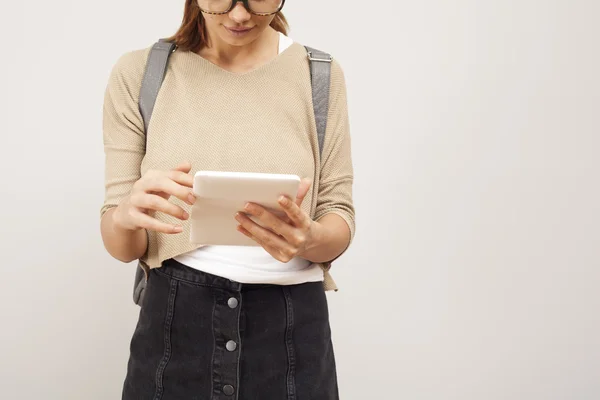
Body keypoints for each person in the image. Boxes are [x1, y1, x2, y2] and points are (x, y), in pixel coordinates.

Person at [100, 0, 355, 398]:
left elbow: (339, 212)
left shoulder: (318, 75)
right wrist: (125, 217)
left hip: (291, 330)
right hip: (176, 322)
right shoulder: (141, 73)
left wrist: (310, 239)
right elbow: (121, 245)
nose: (240, 15)